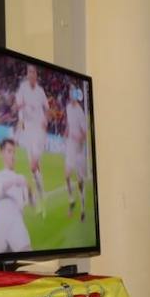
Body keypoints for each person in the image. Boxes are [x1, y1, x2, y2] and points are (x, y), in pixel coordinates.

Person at [0, 139, 32, 255]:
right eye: (9, 151)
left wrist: (29, 189)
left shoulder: (21, 177)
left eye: (14, 152)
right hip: (0, 220)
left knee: (28, 256)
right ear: (1, 153)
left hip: (16, 220)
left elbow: (27, 203)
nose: (12, 156)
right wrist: (13, 181)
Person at [14, 64, 51, 212]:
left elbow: (48, 110)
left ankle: (33, 197)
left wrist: (45, 120)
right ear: (27, 74)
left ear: (36, 75)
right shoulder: (22, 88)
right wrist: (19, 108)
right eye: (29, 72)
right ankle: (42, 193)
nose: (31, 74)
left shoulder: (41, 91)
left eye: (33, 72)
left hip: (39, 131)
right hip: (28, 130)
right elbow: (17, 106)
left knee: (33, 166)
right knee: (35, 168)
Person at [63, 87, 89, 220]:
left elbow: (85, 135)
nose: (71, 94)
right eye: (70, 92)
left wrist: (78, 138)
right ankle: (71, 200)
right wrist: (67, 131)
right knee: (66, 176)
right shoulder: (68, 108)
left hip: (78, 149)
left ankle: (83, 208)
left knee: (80, 181)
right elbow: (69, 124)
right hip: (70, 147)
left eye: (73, 92)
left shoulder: (80, 112)